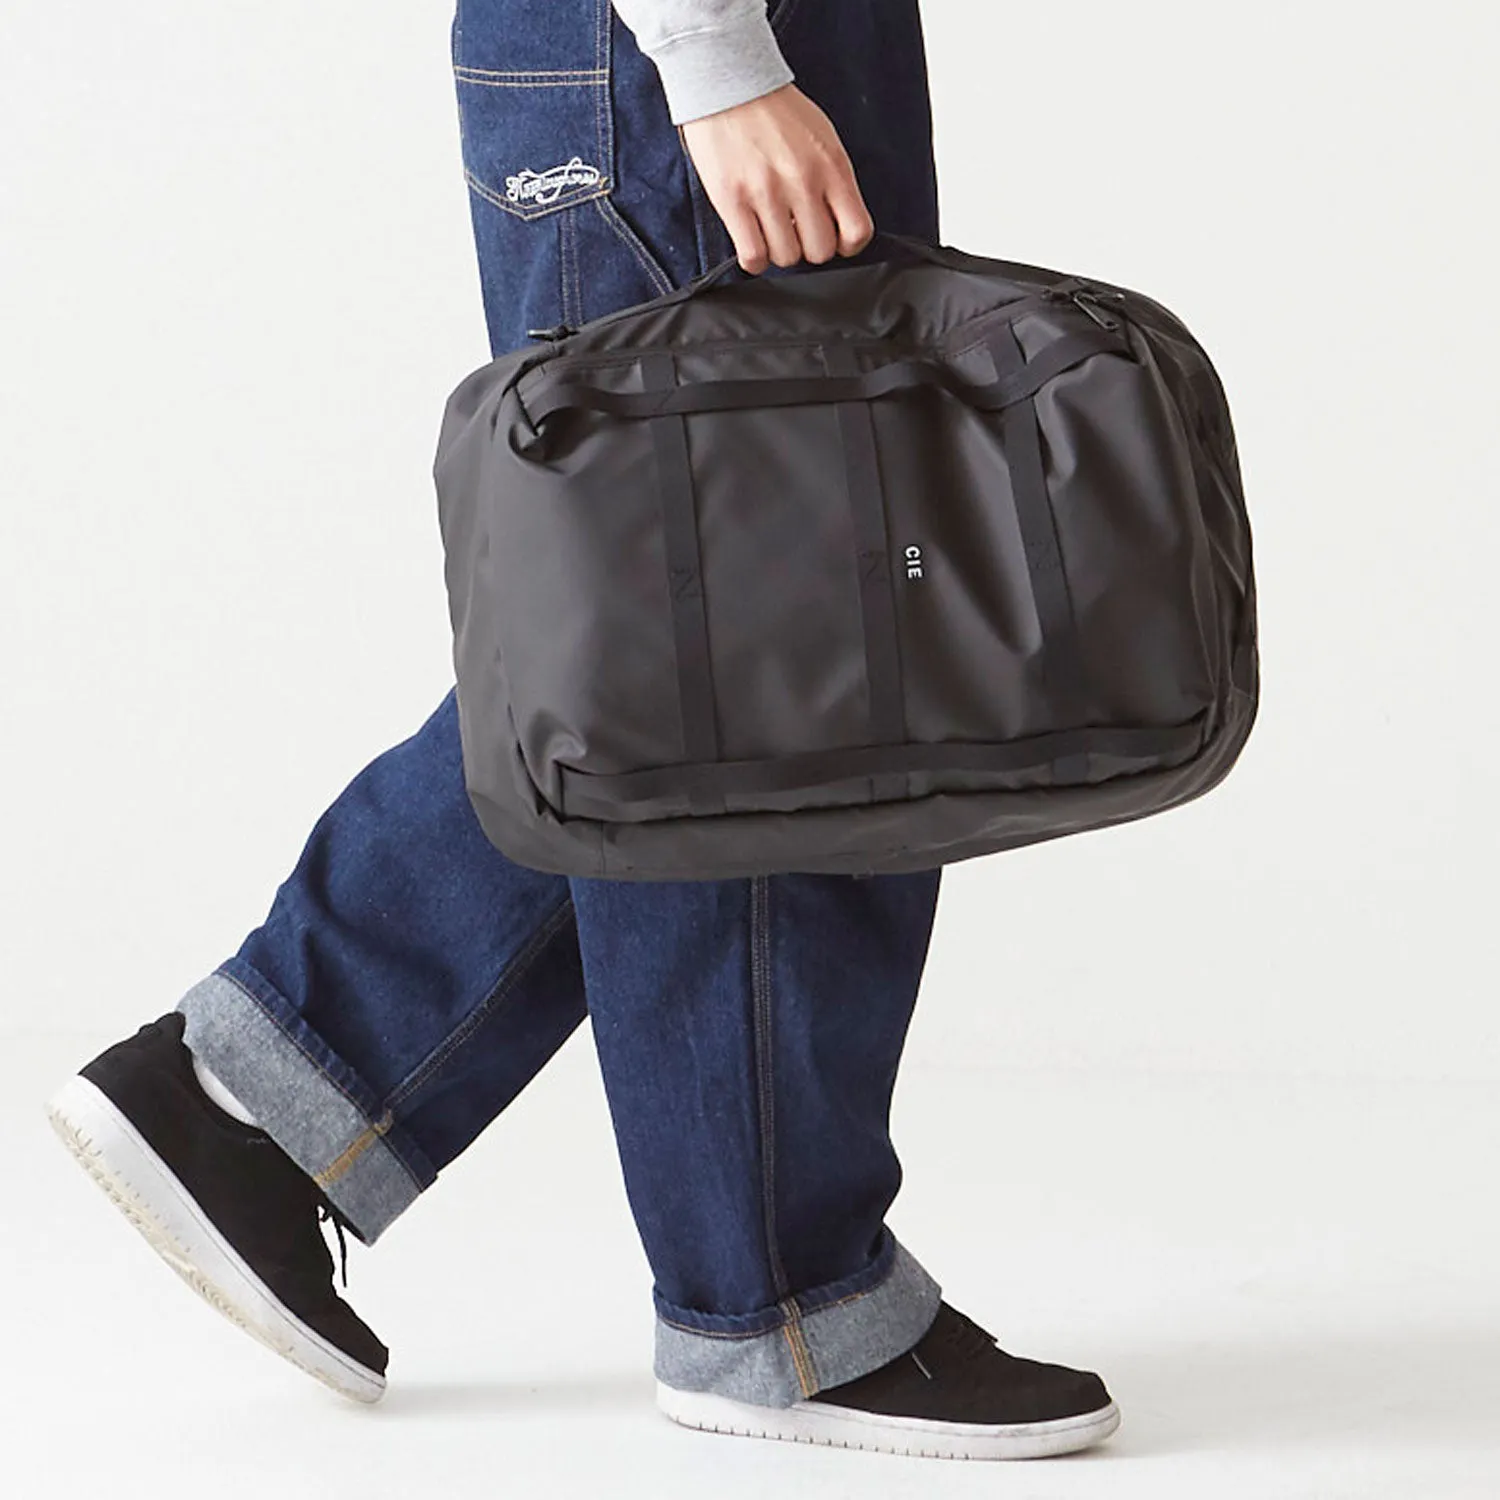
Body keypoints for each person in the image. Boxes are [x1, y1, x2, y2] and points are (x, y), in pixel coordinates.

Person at [47, 0, 1119, 1462]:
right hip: (677, 61)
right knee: (742, 673)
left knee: (720, 656)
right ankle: (777, 1311)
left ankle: (256, 1092)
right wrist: (714, 56)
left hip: (695, 56)